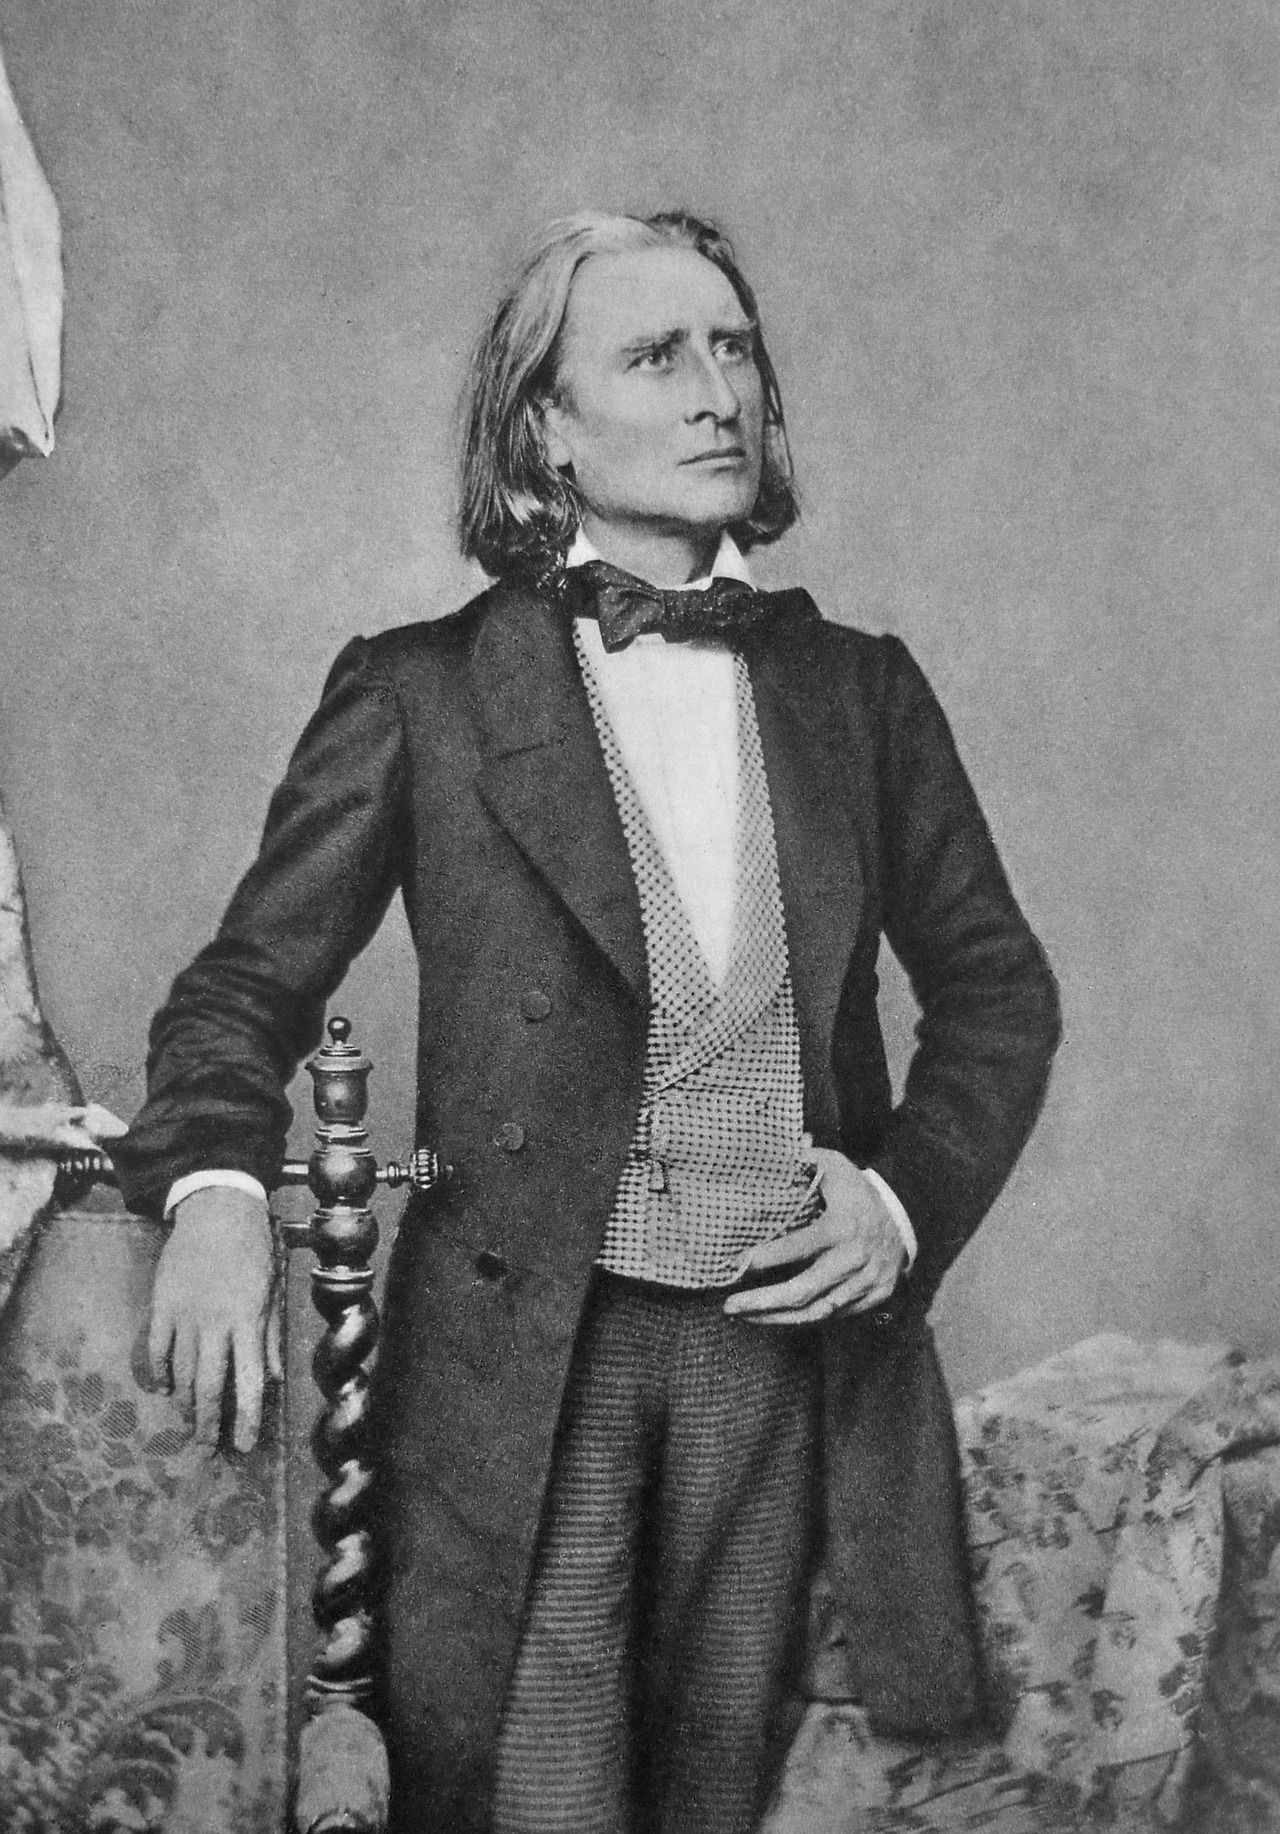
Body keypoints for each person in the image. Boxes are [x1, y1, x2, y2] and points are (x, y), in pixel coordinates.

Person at [114, 209, 1061, 1834]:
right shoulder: (421, 689)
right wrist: (212, 1188)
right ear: (547, 425)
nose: (716, 392)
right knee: (537, 1793)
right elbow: (238, 991)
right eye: (655, 354)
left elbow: (1000, 994)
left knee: (725, 1796)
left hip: (786, 1357)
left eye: (733, 348)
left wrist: (900, 1202)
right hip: (528, 1364)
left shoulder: (863, 691)